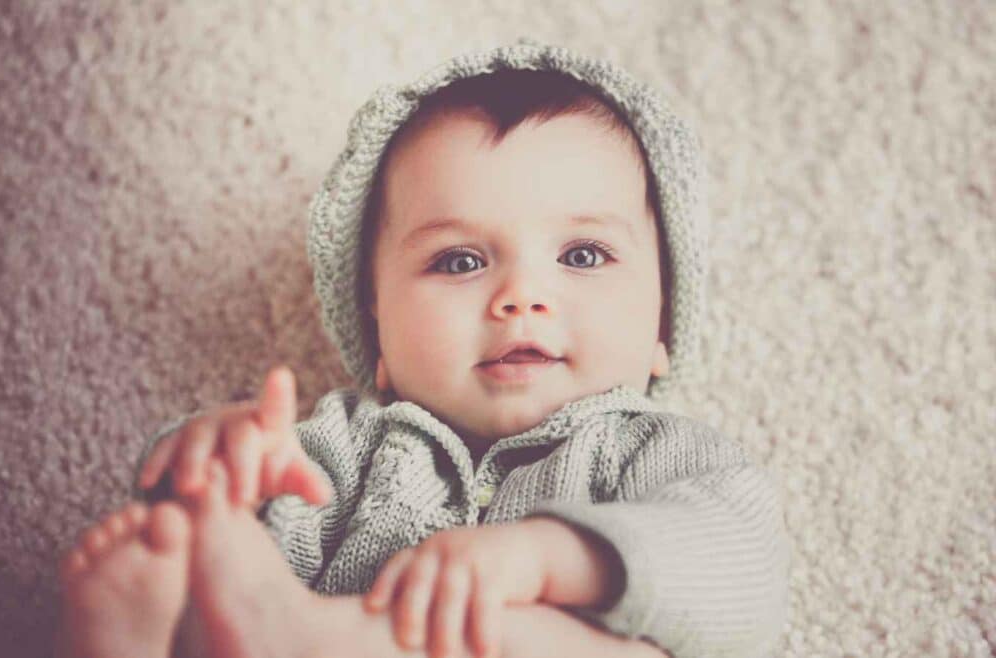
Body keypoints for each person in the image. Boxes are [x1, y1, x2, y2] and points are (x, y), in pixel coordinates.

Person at [55, 38, 791, 658]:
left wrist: (545, 557)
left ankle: (299, 632)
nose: (520, 298)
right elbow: (261, 541)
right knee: (214, 547)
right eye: (460, 262)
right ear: (378, 333)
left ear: (662, 324)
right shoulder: (347, 451)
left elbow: (746, 575)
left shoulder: (653, 454)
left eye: (584, 255)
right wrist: (222, 472)